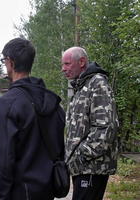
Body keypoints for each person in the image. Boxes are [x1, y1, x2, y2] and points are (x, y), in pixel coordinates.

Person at [0, 38, 66, 200]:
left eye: (4, 60)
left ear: (10, 62)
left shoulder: (6, 103)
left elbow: (4, 161)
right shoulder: (53, 101)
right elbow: (60, 149)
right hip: (47, 190)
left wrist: (0, 196)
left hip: (20, 192)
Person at [61, 47, 119, 200]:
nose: (63, 69)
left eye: (67, 64)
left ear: (81, 62)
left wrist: (80, 156)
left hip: (92, 167)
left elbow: (106, 128)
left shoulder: (97, 84)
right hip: (83, 168)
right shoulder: (81, 86)